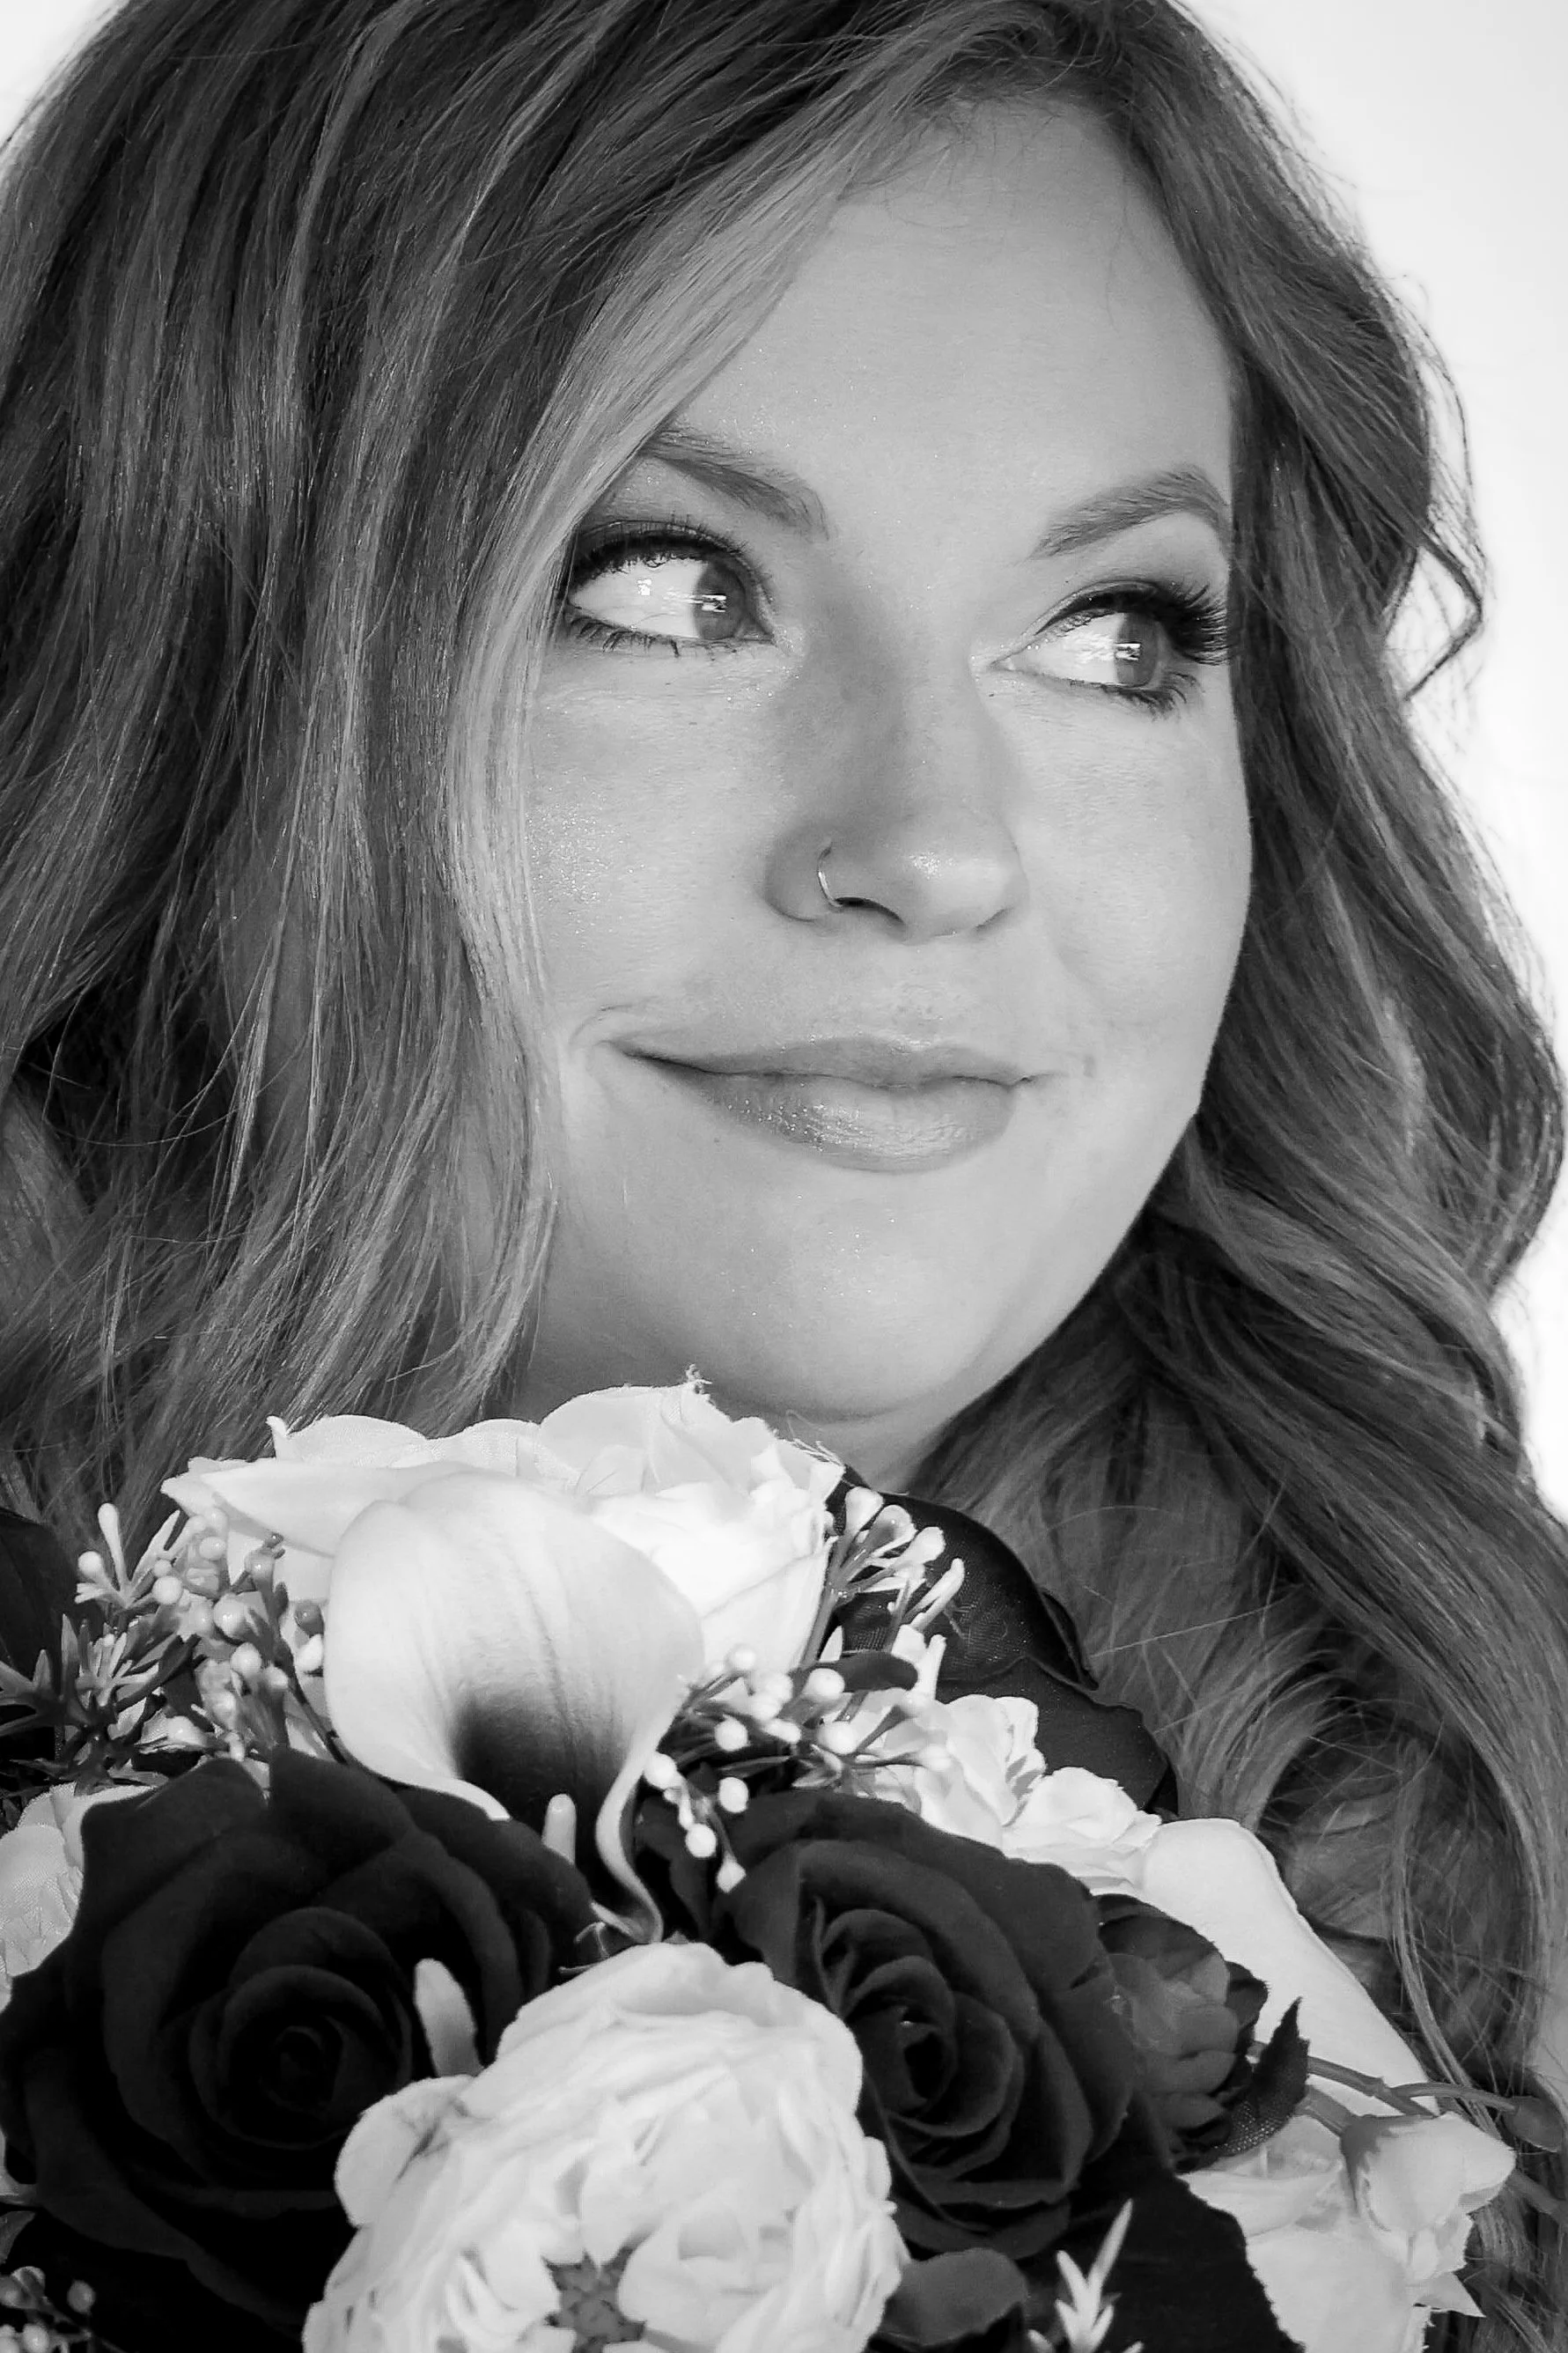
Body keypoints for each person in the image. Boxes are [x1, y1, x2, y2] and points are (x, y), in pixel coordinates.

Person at [1, 0, 1564, 2340]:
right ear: (182, 658)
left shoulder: (1503, 1865)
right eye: (659, 589)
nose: (930, 850)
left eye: (1113, 630)